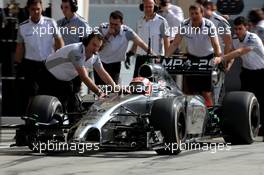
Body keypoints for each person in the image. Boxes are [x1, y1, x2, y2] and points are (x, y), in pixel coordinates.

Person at [214, 16, 264, 140]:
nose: (237, 31)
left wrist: (221, 58)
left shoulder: (253, 38)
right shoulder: (236, 39)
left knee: (262, 100)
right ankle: (248, 127)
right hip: (248, 73)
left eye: (240, 28)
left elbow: (240, 52)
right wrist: (228, 66)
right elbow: (233, 52)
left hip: (261, 73)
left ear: (247, 27)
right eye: (235, 29)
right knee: (244, 102)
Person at [40, 32, 116, 112]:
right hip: (47, 76)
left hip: (66, 80)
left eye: (98, 47)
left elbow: (103, 73)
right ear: (87, 41)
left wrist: (115, 87)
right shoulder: (76, 51)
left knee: (74, 107)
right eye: (94, 44)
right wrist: (99, 93)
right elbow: (84, 77)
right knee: (47, 108)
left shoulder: (95, 56)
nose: (95, 49)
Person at [166, 4, 222, 107]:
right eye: (192, 13)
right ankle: (189, 110)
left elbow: (216, 44)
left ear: (202, 13)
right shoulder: (184, 24)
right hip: (191, 58)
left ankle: (210, 112)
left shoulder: (209, 25)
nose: (194, 15)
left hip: (207, 58)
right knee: (189, 91)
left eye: (197, 13)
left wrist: (219, 57)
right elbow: (175, 43)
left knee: (206, 92)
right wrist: (165, 58)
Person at [15, 0, 64, 111]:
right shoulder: (23, 27)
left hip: (48, 63)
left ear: (42, 8)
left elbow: (59, 41)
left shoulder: (51, 23)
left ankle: (48, 117)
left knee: (48, 92)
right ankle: (30, 119)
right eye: (33, 9)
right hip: (30, 65)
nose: (36, 11)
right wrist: (17, 63)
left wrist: (60, 60)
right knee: (31, 93)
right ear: (28, 10)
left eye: (38, 9)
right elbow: (20, 47)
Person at [94, 10, 153, 85]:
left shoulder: (127, 32)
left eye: (116, 25)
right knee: (100, 87)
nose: (113, 27)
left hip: (115, 64)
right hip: (100, 63)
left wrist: (153, 54)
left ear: (122, 23)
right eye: (111, 24)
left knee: (113, 88)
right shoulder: (102, 28)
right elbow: (98, 48)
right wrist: (108, 35)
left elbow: (141, 43)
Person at [57, 0, 92, 97]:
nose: (64, 10)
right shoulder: (59, 23)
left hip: (76, 64)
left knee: (74, 92)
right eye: (62, 7)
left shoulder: (82, 24)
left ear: (73, 8)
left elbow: (88, 45)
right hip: (62, 64)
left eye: (66, 7)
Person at [128, 0, 170, 77]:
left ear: (155, 7)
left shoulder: (161, 21)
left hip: (155, 59)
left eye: (150, 7)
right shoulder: (139, 21)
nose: (148, 9)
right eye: (146, 7)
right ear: (142, 7)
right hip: (140, 59)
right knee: (138, 85)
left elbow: (166, 40)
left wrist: (166, 58)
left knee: (154, 85)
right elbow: (137, 40)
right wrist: (130, 53)